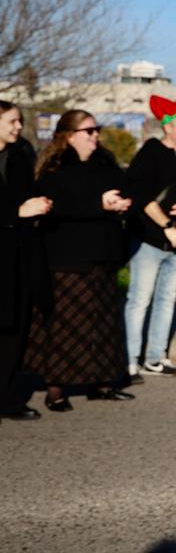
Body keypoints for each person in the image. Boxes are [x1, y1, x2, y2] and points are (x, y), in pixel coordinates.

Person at [25, 111, 135, 411]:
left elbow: (125, 188)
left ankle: (101, 381)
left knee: (103, 322)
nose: (96, 136)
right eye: (89, 131)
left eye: (97, 130)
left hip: (104, 253)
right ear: (70, 135)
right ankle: (56, 389)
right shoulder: (54, 167)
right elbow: (55, 205)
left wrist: (123, 203)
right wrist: (98, 204)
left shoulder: (106, 162)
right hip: (68, 256)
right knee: (66, 325)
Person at [123, 95, 176, 381]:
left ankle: (155, 358)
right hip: (149, 239)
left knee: (166, 300)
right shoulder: (151, 151)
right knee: (139, 300)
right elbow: (139, 194)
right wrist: (168, 225)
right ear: (168, 127)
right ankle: (129, 361)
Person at [0, 101, 51, 422]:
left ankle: (7, 399)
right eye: (12, 121)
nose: (18, 127)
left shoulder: (21, 155)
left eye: (20, 121)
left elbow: (30, 193)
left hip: (17, 258)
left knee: (12, 332)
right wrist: (16, 212)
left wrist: (40, 202)